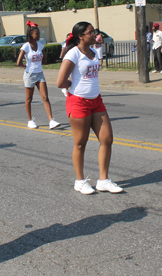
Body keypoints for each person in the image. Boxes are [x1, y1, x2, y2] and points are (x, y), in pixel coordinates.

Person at [56, 21, 123, 195]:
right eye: (91, 32)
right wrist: (72, 83)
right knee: (80, 143)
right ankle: (79, 181)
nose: (95, 35)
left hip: (96, 101)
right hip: (78, 102)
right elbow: (60, 82)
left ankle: (103, 180)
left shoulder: (93, 51)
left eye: (94, 32)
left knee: (107, 139)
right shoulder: (73, 54)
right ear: (81, 36)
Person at [17, 20, 60, 129]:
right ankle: (30, 120)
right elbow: (18, 62)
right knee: (29, 99)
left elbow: (44, 60)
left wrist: (39, 63)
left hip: (40, 74)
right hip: (30, 75)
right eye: (37, 34)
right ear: (31, 34)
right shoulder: (26, 46)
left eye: (39, 33)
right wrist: (25, 66)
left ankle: (51, 121)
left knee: (45, 97)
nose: (39, 35)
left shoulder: (40, 46)